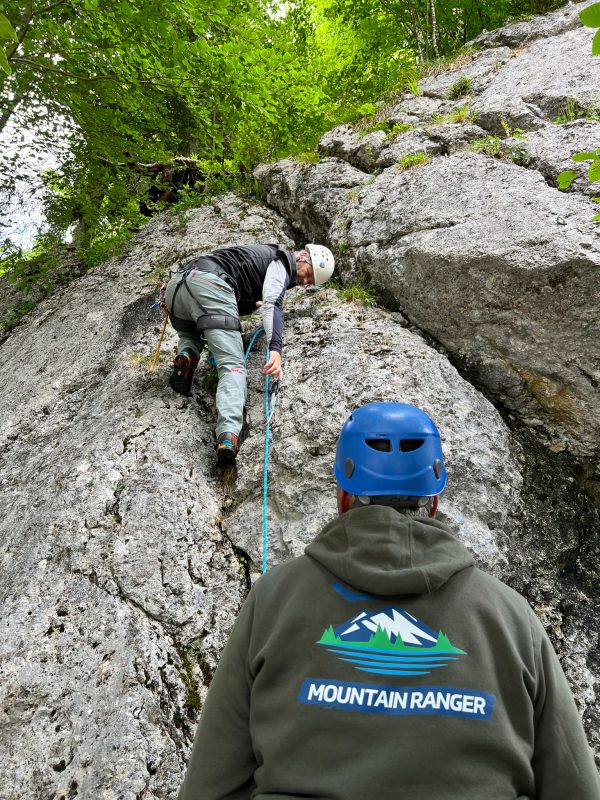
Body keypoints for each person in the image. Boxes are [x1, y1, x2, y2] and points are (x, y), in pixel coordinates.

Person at [177, 401, 600, 800]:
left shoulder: (274, 599)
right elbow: (575, 786)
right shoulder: (511, 617)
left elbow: (211, 784)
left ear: (344, 496)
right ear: (434, 501)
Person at [164, 243, 334, 464]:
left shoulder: (259, 257)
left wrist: (252, 304)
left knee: (193, 329)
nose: (304, 281)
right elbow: (273, 304)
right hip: (210, 285)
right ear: (303, 256)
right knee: (232, 364)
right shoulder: (282, 261)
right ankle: (228, 434)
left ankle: (187, 353)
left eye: (310, 282)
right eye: (308, 274)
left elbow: (238, 289)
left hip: (176, 287)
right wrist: (275, 350)